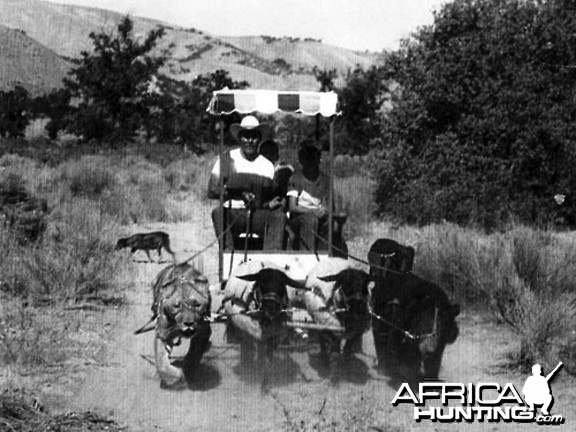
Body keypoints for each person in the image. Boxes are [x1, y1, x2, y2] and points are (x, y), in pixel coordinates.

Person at [208, 116, 286, 250]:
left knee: (278, 217)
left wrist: (271, 203)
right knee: (218, 213)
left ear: (259, 139)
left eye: (254, 136)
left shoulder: (266, 165)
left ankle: (270, 262)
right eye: (246, 136)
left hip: (258, 214)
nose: (250, 141)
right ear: (239, 138)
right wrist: (238, 194)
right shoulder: (227, 159)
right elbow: (212, 190)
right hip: (233, 213)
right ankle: (228, 256)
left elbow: (270, 198)